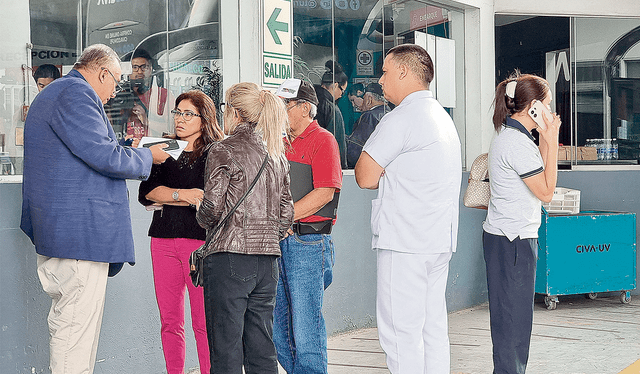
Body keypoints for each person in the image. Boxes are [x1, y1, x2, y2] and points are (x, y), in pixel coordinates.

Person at [20, 44, 170, 374]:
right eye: (115, 82)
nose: (115, 92)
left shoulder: (63, 92)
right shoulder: (75, 93)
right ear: (101, 73)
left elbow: (90, 152)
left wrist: (126, 149)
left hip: (70, 236)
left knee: (74, 329)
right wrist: (149, 156)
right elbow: (103, 157)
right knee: (75, 334)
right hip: (79, 237)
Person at [354, 44, 462, 374]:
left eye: (385, 72)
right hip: (436, 241)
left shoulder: (401, 118)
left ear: (403, 72)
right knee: (432, 330)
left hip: (405, 243)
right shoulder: (442, 118)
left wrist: (387, 169)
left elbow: (364, 175)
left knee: (400, 335)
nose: (381, 80)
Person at [196, 82, 294, 374]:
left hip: (229, 258)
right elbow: (286, 214)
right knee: (262, 348)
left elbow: (212, 208)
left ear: (235, 113)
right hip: (268, 262)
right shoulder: (276, 154)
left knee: (226, 348)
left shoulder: (222, 149)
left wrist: (199, 214)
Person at [138, 90, 224, 374]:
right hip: (162, 242)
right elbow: (146, 193)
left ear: (204, 118)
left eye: (189, 114)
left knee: (203, 321)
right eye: (177, 112)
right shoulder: (163, 148)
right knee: (170, 320)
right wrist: (183, 195)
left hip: (199, 245)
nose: (181, 119)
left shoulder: (215, 152)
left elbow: (210, 198)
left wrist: (167, 197)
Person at [483, 73, 560, 374]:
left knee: (510, 322)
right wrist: (551, 142)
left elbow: (537, 172)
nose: (552, 114)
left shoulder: (513, 136)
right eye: (548, 106)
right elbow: (546, 192)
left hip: (506, 238)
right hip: (513, 242)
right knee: (513, 326)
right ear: (533, 109)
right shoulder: (515, 143)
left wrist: (544, 138)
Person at [274, 78, 342, 374]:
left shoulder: (323, 139)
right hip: (279, 241)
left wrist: (284, 218)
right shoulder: (278, 142)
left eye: (284, 105)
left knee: (305, 327)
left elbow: (325, 192)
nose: (278, 111)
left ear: (304, 108)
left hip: (308, 244)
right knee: (278, 327)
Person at [125, 48, 171, 139]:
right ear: (128, 71)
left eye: (144, 67)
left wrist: (146, 120)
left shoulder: (163, 95)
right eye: (135, 67)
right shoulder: (119, 95)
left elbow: (171, 129)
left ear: (150, 69)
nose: (139, 72)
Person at [346, 83, 390, 168]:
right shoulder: (389, 113)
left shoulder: (369, 116)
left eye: (364, 98)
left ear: (369, 99)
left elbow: (355, 149)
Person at [314, 60, 347, 168]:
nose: (342, 95)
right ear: (335, 85)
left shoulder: (308, 102)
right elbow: (337, 144)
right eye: (342, 90)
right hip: (325, 166)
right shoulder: (331, 109)